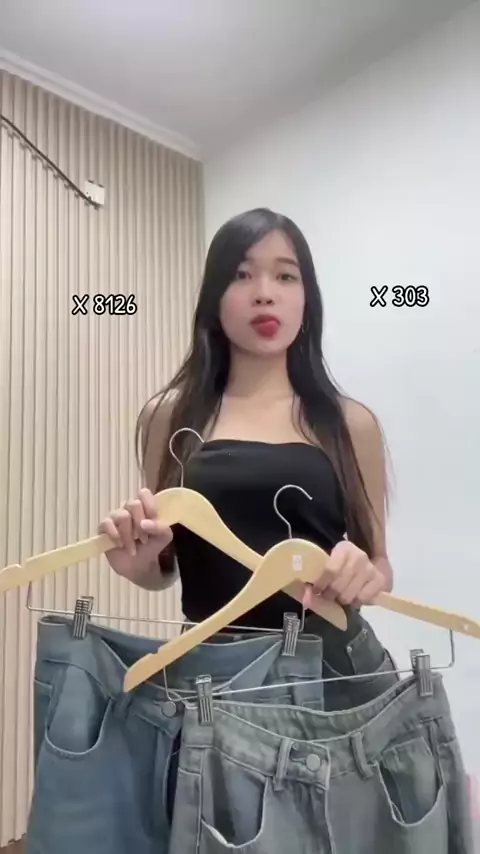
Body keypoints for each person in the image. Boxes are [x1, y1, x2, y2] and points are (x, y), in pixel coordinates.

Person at [98, 207, 397, 708]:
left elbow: (380, 562)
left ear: (307, 299)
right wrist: (139, 566)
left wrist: (364, 574)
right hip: (213, 677)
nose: (264, 292)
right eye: (241, 274)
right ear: (214, 297)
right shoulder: (167, 417)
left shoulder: (349, 422)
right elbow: (165, 566)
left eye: (285, 276)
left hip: (336, 674)